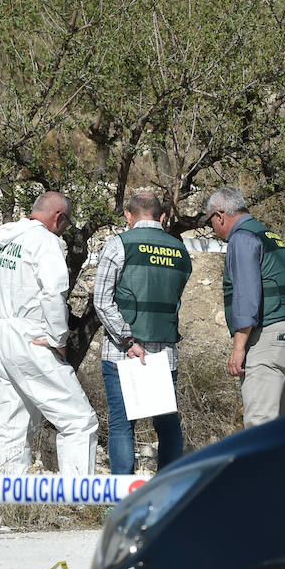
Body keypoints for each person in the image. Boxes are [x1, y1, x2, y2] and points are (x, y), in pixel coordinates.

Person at [0, 191, 98, 474]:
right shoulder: (45, 241)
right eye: (67, 224)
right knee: (78, 420)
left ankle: (10, 493)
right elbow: (52, 293)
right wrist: (58, 339)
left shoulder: (0, 244)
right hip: (31, 336)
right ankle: (79, 496)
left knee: (13, 422)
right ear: (59, 217)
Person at [93, 190, 192, 475]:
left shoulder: (118, 245)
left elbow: (101, 300)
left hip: (123, 352)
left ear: (128, 216)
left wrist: (127, 338)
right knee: (167, 424)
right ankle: (168, 494)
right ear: (162, 217)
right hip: (165, 353)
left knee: (123, 424)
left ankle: (120, 500)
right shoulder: (179, 249)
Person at [202, 186, 285, 427]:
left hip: (270, 337)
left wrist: (238, 347)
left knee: (260, 425)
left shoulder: (241, 238)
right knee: (283, 425)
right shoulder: (267, 233)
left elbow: (247, 295)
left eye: (211, 222)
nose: (213, 229)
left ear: (219, 215)